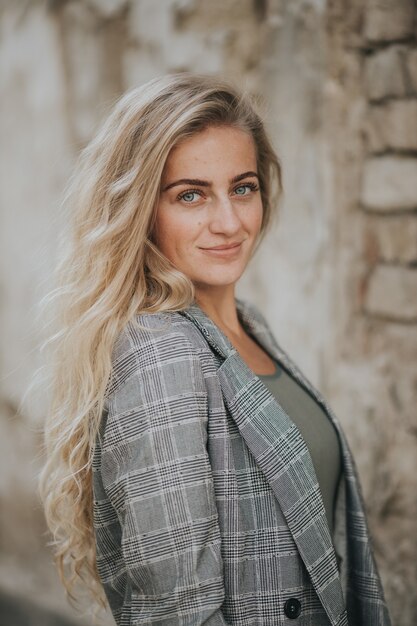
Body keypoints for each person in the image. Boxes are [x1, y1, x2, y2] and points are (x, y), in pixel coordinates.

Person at [39, 72, 391, 626]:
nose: (228, 222)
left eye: (242, 188)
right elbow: (178, 613)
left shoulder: (249, 326)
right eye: (191, 195)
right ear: (140, 211)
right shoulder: (160, 354)